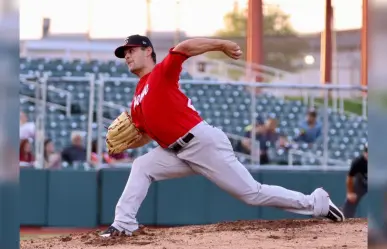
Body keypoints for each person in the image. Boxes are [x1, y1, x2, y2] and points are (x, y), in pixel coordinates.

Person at [100, 35, 345, 237]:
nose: (127, 56)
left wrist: (222, 45)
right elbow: (145, 133)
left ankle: (316, 203)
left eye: (131, 50)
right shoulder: (137, 97)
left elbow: (184, 48)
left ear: (148, 51)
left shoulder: (161, 73)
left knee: (252, 193)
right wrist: (126, 144)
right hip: (175, 151)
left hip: (202, 143)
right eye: (124, 54)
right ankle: (123, 223)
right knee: (142, 165)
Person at [342, 144, 368, 218]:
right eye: (367, 151)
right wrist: (350, 192)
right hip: (362, 182)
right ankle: (346, 220)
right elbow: (350, 177)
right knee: (351, 200)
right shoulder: (358, 162)